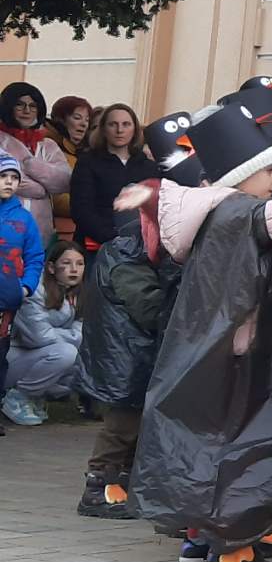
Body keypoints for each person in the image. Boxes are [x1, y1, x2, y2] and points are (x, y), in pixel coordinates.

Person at [125, 103, 272, 562]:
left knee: (201, 444)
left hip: (202, 348)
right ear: (243, 175)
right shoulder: (247, 213)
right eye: (268, 171)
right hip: (240, 350)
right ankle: (231, 549)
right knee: (239, 446)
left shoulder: (205, 212)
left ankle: (197, 539)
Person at [74, 203, 182, 519]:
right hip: (127, 360)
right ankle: (97, 488)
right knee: (122, 426)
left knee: (135, 427)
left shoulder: (133, 253)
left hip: (131, 356)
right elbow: (149, 308)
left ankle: (124, 486)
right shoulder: (127, 257)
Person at [1, 241, 85, 425]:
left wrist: (67, 336)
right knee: (67, 353)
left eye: (79, 264)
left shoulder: (76, 293)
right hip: (13, 357)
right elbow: (38, 337)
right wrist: (71, 336)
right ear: (51, 268)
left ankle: (34, 397)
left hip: (41, 354)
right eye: (66, 263)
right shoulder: (35, 291)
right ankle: (16, 397)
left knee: (84, 360)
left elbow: (83, 332)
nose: (74, 269)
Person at [70, 103, 158, 264]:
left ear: (135, 129)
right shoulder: (87, 162)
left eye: (126, 124)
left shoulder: (150, 167)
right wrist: (112, 237)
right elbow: (81, 209)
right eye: (113, 124)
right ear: (103, 129)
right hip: (96, 247)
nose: (119, 130)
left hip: (140, 249)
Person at [0, 153, 47, 427]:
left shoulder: (23, 218)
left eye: (14, 178)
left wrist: (26, 287)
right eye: (3, 176)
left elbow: (35, 256)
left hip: (6, 299)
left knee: (0, 353)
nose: (9, 182)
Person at [0, 81, 73, 241]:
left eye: (33, 106)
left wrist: (32, 165)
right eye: (20, 105)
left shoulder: (48, 145)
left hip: (40, 232)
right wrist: (38, 188)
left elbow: (65, 180)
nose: (27, 110)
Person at [44, 94, 92, 240]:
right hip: (54, 233)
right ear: (61, 120)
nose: (83, 124)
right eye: (77, 118)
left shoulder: (83, 153)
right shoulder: (47, 148)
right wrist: (93, 205)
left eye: (87, 120)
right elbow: (56, 197)